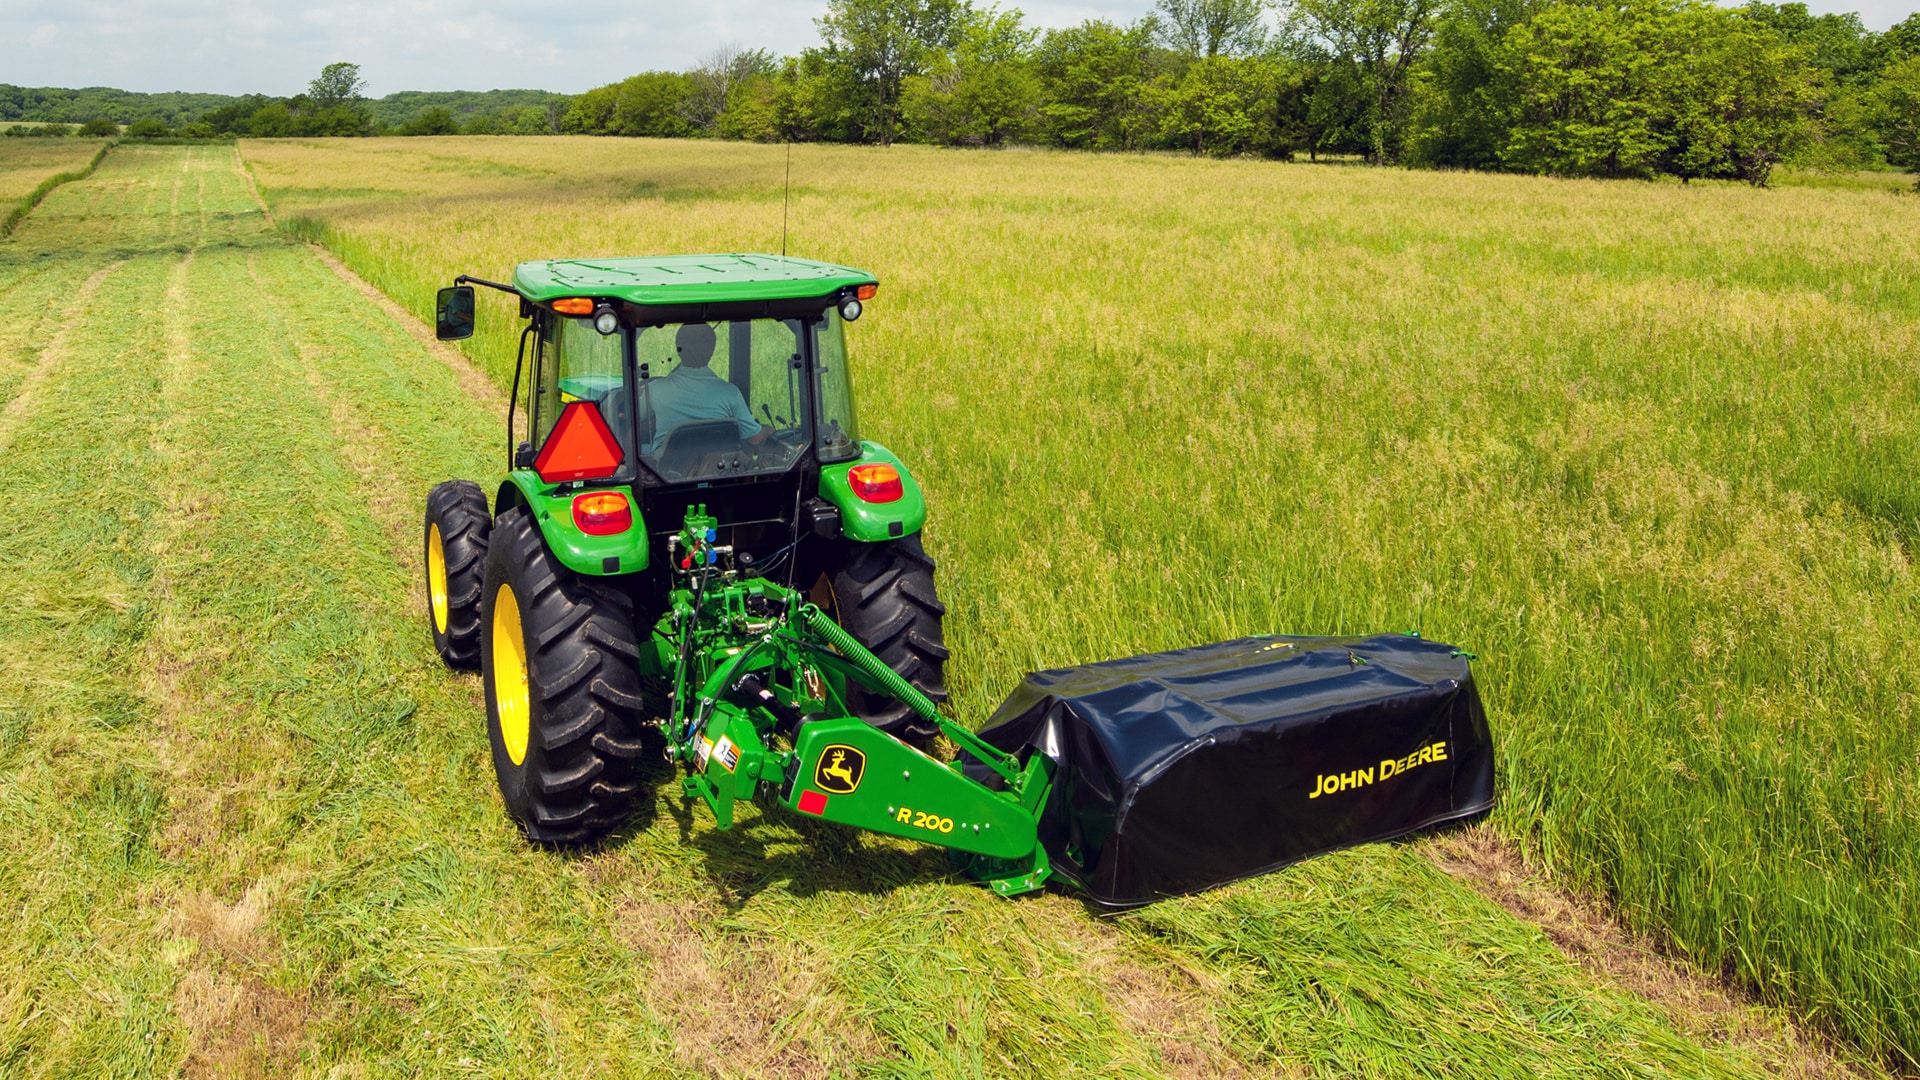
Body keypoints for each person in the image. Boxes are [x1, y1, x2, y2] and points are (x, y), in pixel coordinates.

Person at [643, 322, 768, 456]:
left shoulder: (655, 389)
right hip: (716, 471)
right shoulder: (730, 393)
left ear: (678, 349)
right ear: (712, 351)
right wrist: (767, 430)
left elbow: (628, 419)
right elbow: (755, 438)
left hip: (664, 472)